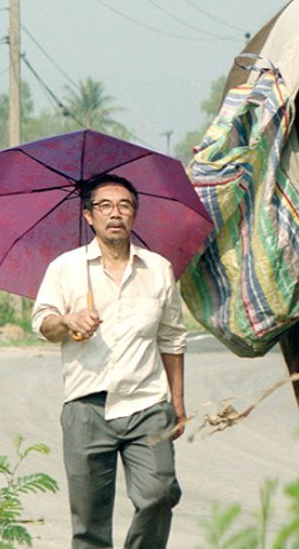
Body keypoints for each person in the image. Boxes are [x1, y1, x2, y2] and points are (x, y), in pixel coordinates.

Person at [31, 172, 186, 549]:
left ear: (134, 214)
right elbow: (42, 323)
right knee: (89, 522)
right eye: (104, 206)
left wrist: (177, 401)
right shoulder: (66, 268)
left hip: (147, 403)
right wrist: (67, 322)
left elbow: (172, 338)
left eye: (124, 205)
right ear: (88, 216)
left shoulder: (158, 269)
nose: (115, 213)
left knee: (159, 494)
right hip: (87, 406)